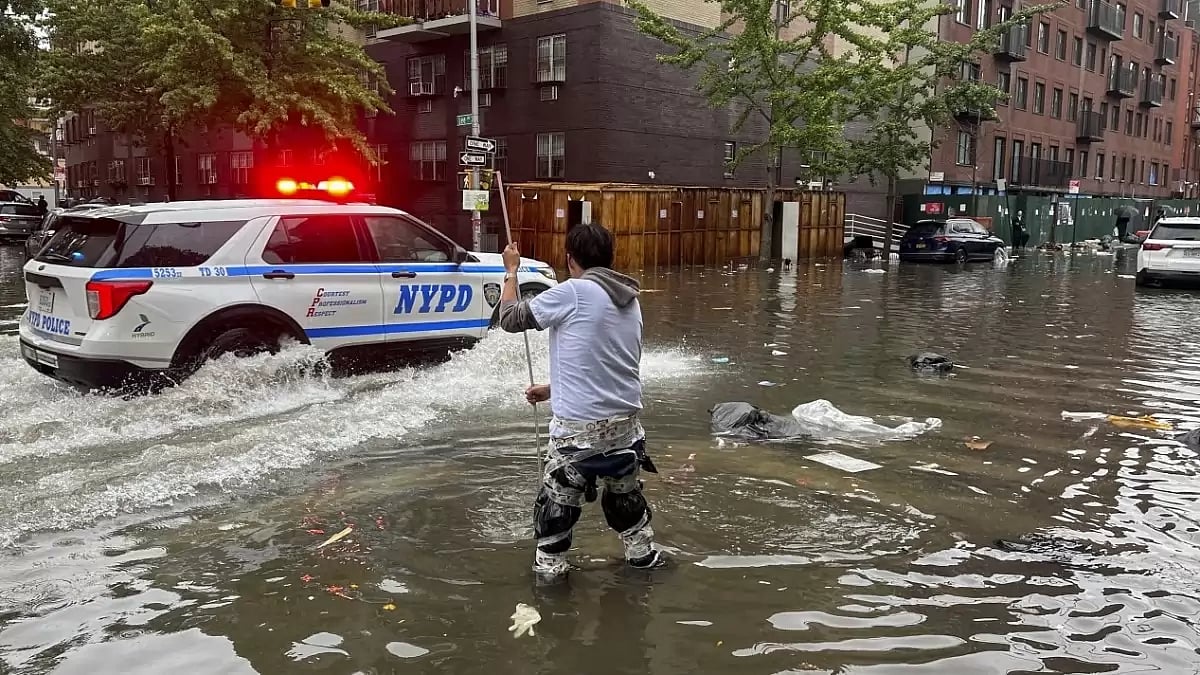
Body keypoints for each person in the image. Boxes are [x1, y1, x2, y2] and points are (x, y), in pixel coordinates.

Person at [499, 223, 664, 578]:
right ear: (609, 257)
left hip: (578, 436)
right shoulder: (630, 299)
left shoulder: (573, 291)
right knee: (627, 505)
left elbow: (509, 320)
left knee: (555, 511)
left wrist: (510, 271)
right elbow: (608, 364)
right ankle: (643, 562)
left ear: (570, 260)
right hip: (627, 431)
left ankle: (552, 586)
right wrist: (553, 388)